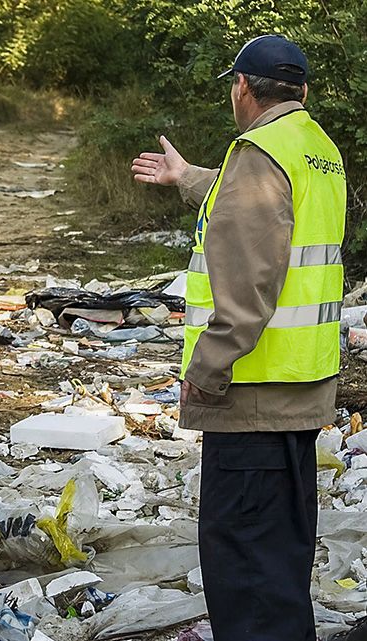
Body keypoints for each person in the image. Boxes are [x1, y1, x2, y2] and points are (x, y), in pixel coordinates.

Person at [131, 35, 345, 641]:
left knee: (247, 569)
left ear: (243, 87)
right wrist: (188, 177)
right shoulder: (314, 147)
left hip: (251, 395)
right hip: (300, 388)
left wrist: (204, 372)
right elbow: (263, 213)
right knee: (278, 558)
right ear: (300, 91)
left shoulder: (258, 153)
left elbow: (249, 284)